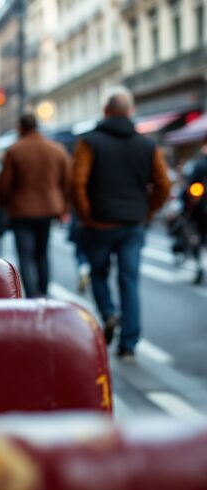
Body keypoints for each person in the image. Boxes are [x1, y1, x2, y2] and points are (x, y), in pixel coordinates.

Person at [72, 87, 171, 360]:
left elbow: (77, 182)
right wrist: (147, 211)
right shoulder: (148, 145)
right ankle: (129, 343)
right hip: (132, 224)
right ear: (131, 112)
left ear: (105, 111)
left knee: (98, 273)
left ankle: (108, 313)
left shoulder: (89, 142)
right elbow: (163, 184)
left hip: (99, 224)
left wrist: (87, 214)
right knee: (130, 281)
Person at [0, 114, 71, 298]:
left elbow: (4, 185)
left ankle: (32, 296)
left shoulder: (15, 151)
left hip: (21, 210)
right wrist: (64, 207)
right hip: (48, 209)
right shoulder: (56, 149)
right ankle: (44, 292)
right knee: (42, 253)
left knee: (25, 255)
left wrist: (4, 204)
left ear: (21, 127)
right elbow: (67, 182)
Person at [181, 143, 207, 284]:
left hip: (200, 210)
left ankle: (199, 267)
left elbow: (191, 188)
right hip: (201, 208)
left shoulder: (200, 165)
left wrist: (187, 206)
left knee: (197, 237)